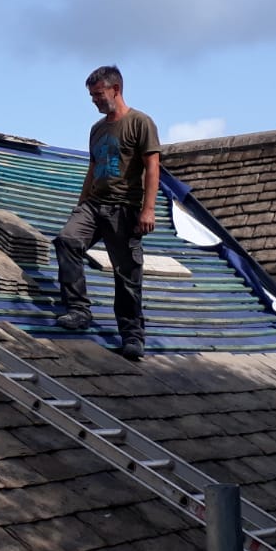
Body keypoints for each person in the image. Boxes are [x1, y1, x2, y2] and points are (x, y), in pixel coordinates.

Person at [54, 65, 161, 360]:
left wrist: (148, 209)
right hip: (93, 204)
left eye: (98, 94)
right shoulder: (97, 129)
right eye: (92, 96)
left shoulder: (140, 122)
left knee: (126, 273)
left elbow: (152, 166)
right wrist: (80, 204)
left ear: (116, 89)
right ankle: (79, 310)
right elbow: (92, 168)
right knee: (67, 240)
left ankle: (132, 336)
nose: (95, 101)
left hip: (124, 209)